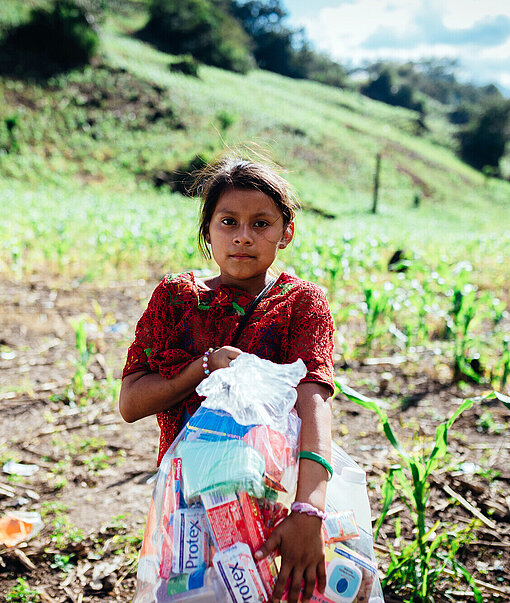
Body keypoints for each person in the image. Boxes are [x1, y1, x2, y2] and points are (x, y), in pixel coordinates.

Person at [119, 155, 335, 603]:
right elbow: (132, 402)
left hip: (273, 503)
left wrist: (308, 510)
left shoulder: (300, 303)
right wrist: (206, 366)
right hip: (188, 506)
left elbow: (313, 401)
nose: (243, 236)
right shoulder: (176, 299)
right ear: (208, 230)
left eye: (261, 224)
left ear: (285, 232)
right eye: (228, 221)